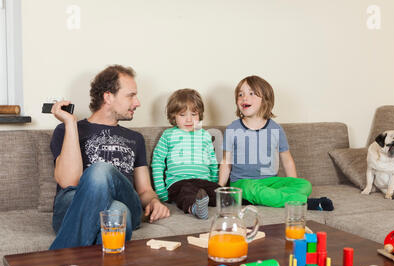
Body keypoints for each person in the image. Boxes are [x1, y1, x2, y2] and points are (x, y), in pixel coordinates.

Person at [49, 65, 170, 250]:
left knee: (102, 172)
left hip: (127, 199)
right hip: (72, 204)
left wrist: (154, 201)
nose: (137, 103)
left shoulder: (135, 139)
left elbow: (145, 190)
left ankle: (57, 261)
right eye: (131, 95)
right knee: (116, 212)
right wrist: (71, 124)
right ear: (108, 97)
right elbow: (69, 181)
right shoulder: (65, 130)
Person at [218, 75, 333, 210]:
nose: (244, 98)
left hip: (270, 182)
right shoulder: (232, 128)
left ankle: (267, 198)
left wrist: (292, 182)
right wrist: (219, 188)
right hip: (243, 183)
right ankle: (304, 202)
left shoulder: (276, 129)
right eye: (240, 94)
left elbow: (287, 160)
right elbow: (226, 162)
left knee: (304, 185)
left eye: (251, 93)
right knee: (251, 189)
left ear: (265, 100)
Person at [151, 89, 220, 219]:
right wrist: (161, 191)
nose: (189, 120)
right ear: (174, 116)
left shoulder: (205, 135)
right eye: (182, 115)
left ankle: (207, 202)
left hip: (203, 182)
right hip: (179, 182)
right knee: (186, 193)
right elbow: (158, 162)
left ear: (199, 114)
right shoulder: (168, 135)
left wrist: (214, 182)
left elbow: (212, 162)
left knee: (222, 194)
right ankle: (195, 208)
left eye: (193, 114)